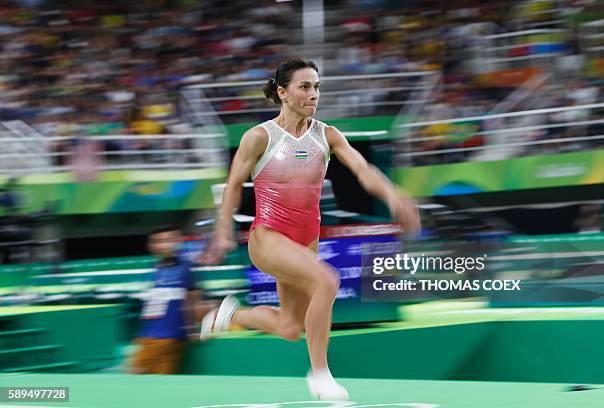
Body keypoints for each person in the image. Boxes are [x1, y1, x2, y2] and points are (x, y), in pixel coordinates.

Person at [200, 59, 420, 400]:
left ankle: (230, 314)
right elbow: (232, 186)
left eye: (317, 87)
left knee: (290, 328)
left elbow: (364, 170)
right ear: (282, 92)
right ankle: (320, 374)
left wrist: (393, 194)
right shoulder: (259, 137)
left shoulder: (327, 134)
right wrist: (222, 231)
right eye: (305, 87)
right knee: (327, 280)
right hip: (268, 237)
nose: (313, 94)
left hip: (306, 243)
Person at [131, 226, 207, 374]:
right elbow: (149, 306)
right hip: (148, 337)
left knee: (136, 374)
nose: (164, 245)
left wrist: (192, 331)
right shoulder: (152, 269)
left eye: (169, 240)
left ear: (178, 241)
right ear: (150, 245)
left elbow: (192, 301)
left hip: (168, 337)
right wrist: (140, 333)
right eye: (158, 241)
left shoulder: (186, 268)